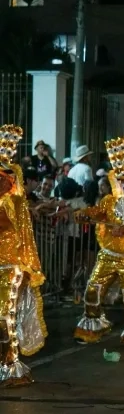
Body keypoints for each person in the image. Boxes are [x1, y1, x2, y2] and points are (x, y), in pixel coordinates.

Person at [73, 137, 124, 348]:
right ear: (117, 181)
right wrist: (84, 213)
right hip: (108, 256)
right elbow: (96, 212)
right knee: (92, 290)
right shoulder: (109, 202)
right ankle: (92, 326)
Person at [0, 125, 47, 388]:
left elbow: (9, 224)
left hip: (9, 266)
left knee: (3, 317)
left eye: (2, 177)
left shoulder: (14, 203)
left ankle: (9, 365)